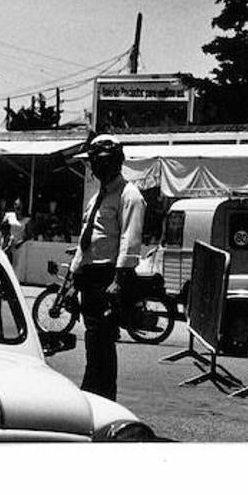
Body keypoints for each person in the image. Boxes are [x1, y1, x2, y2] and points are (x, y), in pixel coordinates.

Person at [69, 136, 144, 401]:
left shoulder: (129, 195)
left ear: (116, 162)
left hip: (109, 277)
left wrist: (118, 281)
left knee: (103, 341)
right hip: (89, 278)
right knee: (93, 339)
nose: (96, 168)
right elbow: (86, 241)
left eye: (101, 162)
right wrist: (73, 277)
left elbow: (130, 240)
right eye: (93, 163)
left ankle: (102, 398)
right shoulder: (97, 198)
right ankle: (92, 393)